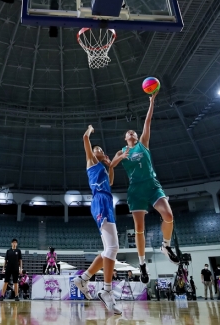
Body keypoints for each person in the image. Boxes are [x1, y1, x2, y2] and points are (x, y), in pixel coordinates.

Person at [111, 91, 179, 285]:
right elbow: (112, 165)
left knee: (168, 215)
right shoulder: (122, 151)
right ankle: (142, 264)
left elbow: (147, 122)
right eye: (128, 133)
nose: (131, 133)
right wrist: (120, 157)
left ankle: (166, 246)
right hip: (136, 191)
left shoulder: (143, 143)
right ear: (125, 138)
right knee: (139, 229)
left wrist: (152, 102)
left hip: (152, 185)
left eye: (133, 132)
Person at [73, 125, 122, 315]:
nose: (101, 151)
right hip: (100, 201)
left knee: (108, 250)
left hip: (106, 201)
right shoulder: (92, 162)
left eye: (101, 150)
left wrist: (111, 165)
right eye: (98, 149)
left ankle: (84, 278)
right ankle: (107, 291)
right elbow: (85, 141)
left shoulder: (102, 167)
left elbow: (110, 182)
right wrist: (89, 131)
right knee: (113, 248)